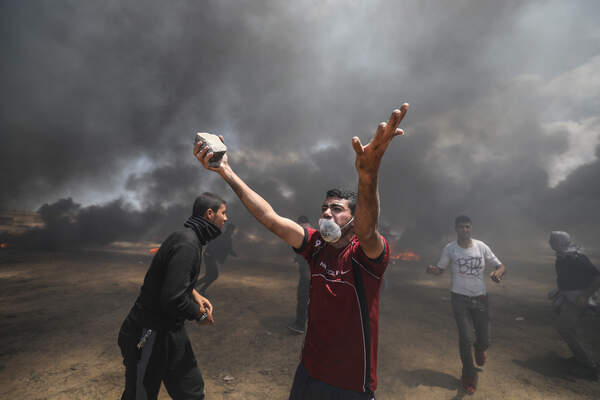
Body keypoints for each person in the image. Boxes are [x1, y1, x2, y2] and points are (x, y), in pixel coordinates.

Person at [194, 104, 409, 399]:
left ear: (354, 218)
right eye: (324, 208)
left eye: (336, 209)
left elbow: (369, 231)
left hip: (349, 384)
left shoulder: (366, 256)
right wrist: (225, 170)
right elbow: (270, 217)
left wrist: (368, 176)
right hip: (309, 370)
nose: (327, 214)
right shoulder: (316, 246)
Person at [117, 192, 227, 400]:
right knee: (140, 395)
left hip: (170, 332)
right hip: (148, 332)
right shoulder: (188, 243)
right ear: (210, 214)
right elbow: (172, 298)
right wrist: (200, 314)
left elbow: (169, 277)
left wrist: (194, 294)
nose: (226, 218)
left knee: (191, 391)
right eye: (223, 212)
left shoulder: (186, 238)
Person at [426, 215, 506, 395]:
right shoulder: (450, 249)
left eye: (468, 227)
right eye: (461, 227)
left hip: (480, 298)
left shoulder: (481, 246)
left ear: (471, 228)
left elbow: (501, 265)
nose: (465, 230)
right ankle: (468, 376)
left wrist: (498, 273)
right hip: (459, 299)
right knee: (466, 338)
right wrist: (433, 270)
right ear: (456, 229)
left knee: (484, 339)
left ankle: (480, 348)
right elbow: (441, 269)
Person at [548, 231, 600, 380]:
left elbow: (597, 277)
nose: (551, 243)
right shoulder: (563, 256)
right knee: (569, 328)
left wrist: (585, 296)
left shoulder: (576, 258)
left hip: (578, 299)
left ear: (560, 242)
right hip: (569, 297)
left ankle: (589, 366)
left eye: (554, 240)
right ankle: (580, 357)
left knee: (564, 328)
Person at [196, 223, 238, 296]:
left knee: (209, 275)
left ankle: (197, 289)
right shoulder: (221, 236)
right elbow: (211, 243)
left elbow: (229, 249)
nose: (232, 232)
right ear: (229, 229)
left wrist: (235, 254)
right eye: (232, 230)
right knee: (213, 275)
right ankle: (197, 289)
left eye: (232, 230)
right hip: (209, 256)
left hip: (210, 256)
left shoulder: (227, 238)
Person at [287, 216, 312, 334]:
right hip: (314, 273)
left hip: (308, 274)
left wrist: (307, 272)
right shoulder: (313, 233)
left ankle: (299, 325)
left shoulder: (305, 233)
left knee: (302, 298)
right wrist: (296, 259)